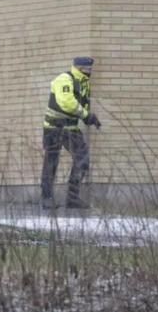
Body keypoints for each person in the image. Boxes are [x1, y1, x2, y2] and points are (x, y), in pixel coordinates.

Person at [40, 56, 102, 210]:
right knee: (51, 163)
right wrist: (86, 116)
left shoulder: (83, 83)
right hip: (54, 128)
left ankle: (73, 198)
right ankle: (46, 198)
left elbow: (81, 103)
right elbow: (67, 103)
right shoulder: (64, 79)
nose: (90, 72)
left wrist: (89, 117)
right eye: (88, 69)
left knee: (82, 159)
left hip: (71, 128)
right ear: (80, 68)